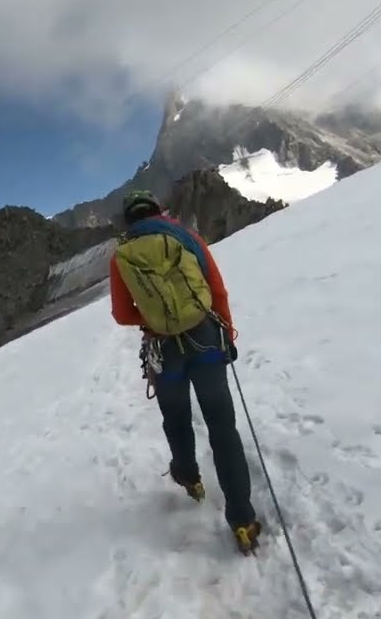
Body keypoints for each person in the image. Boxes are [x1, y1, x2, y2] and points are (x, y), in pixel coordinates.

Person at [108, 189, 262, 553]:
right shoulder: (185, 236)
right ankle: (242, 520)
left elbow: (120, 313)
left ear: (129, 220)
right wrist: (226, 330)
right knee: (222, 427)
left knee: (176, 419)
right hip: (206, 338)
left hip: (164, 349)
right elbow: (216, 288)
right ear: (159, 210)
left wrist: (154, 318)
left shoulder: (121, 256)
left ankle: (190, 477)